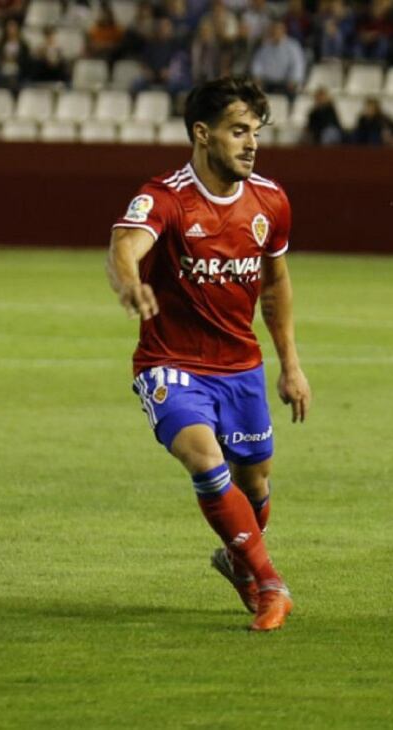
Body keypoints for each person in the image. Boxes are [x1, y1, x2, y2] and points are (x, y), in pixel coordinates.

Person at [106, 76, 311, 632]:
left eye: (256, 132)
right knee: (203, 457)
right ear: (202, 134)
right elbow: (127, 244)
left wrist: (290, 364)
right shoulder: (166, 197)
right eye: (238, 131)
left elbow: (275, 284)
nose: (251, 143)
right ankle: (269, 585)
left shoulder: (270, 200)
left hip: (240, 366)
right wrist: (128, 281)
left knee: (256, 482)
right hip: (170, 362)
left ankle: (237, 556)